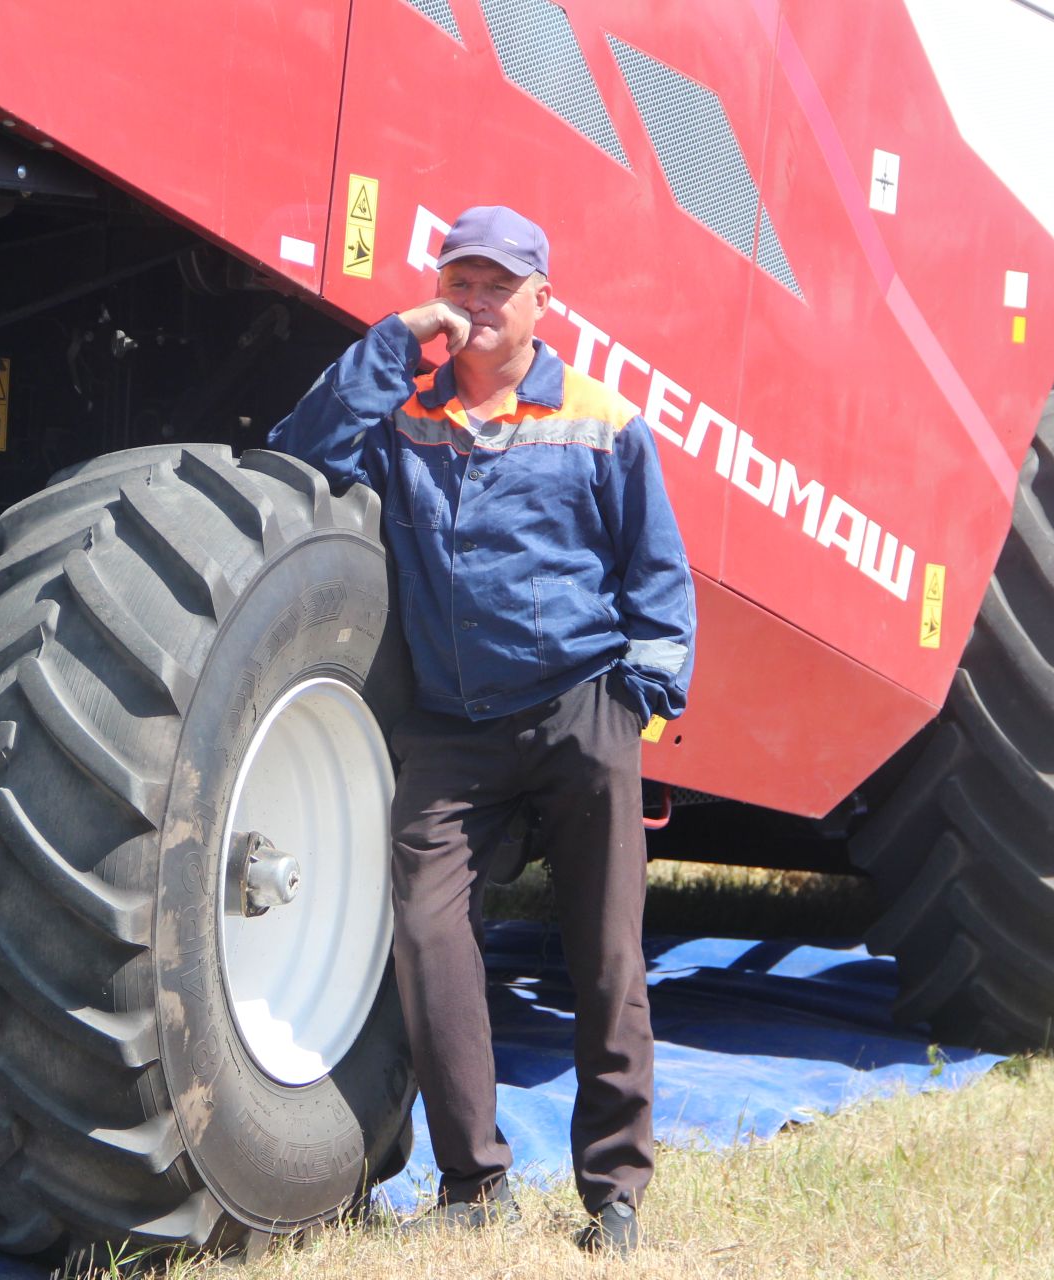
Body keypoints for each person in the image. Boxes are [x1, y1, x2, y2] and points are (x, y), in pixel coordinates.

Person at [267, 205, 694, 1256]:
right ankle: (472, 1178)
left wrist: (640, 692)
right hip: (452, 732)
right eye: (461, 280)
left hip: (579, 711)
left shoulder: (600, 419)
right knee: (424, 929)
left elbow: (660, 575)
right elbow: (298, 449)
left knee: (605, 949)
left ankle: (616, 1189)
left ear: (544, 300)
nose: (479, 301)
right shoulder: (407, 420)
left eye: (499, 284)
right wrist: (390, 341)